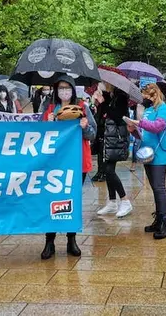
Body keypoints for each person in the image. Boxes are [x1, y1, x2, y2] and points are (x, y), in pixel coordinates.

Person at [40, 74, 96, 259]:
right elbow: (37, 135)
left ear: (73, 90)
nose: (64, 91)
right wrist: (45, 124)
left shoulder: (83, 108)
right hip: (54, 164)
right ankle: (50, 241)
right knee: (52, 200)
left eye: (67, 87)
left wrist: (85, 127)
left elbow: (92, 134)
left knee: (73, 200)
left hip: (77, 163)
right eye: (61, 88)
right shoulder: (48, 109)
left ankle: (72, 240)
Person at [126, 83, 166, 239]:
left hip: (160, 153)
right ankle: (158, 219)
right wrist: (134, 130)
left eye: (145, 96)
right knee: (154, 188)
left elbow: (159, 126)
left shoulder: (163, 109)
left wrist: (140, 123)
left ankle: (164, 223)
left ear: (154, 95)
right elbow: (145, 132)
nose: (143, 99)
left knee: (159, 187)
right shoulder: (148, 110)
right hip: (148, 152)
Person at [94, 82, 132, 218]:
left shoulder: (121, 97)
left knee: (109, 170)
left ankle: (125, 200)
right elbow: (101, 117)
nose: (103, 84)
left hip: (116, 139)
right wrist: (101, 102)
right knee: (107, 170)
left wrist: (103, 102)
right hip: (107, 138)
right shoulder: (110, 96)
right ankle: (112, 201)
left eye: (104, 83)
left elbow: (118, 117)